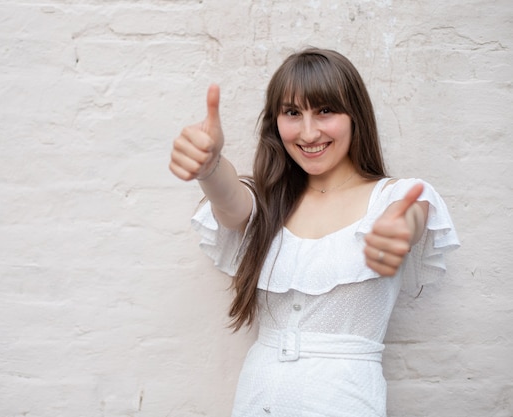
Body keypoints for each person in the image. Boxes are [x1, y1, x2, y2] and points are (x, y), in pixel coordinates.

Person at [169, 48, 459, 417]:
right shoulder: (269, 203)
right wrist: (209, 168)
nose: (309, 132)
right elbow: (229, 203)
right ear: (276, 123)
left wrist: (400, 230)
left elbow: (411, 218)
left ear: (355, 115)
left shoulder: (394, 197)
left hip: (345, 400)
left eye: (325, 110)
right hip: (259, 399)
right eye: (292, 113)